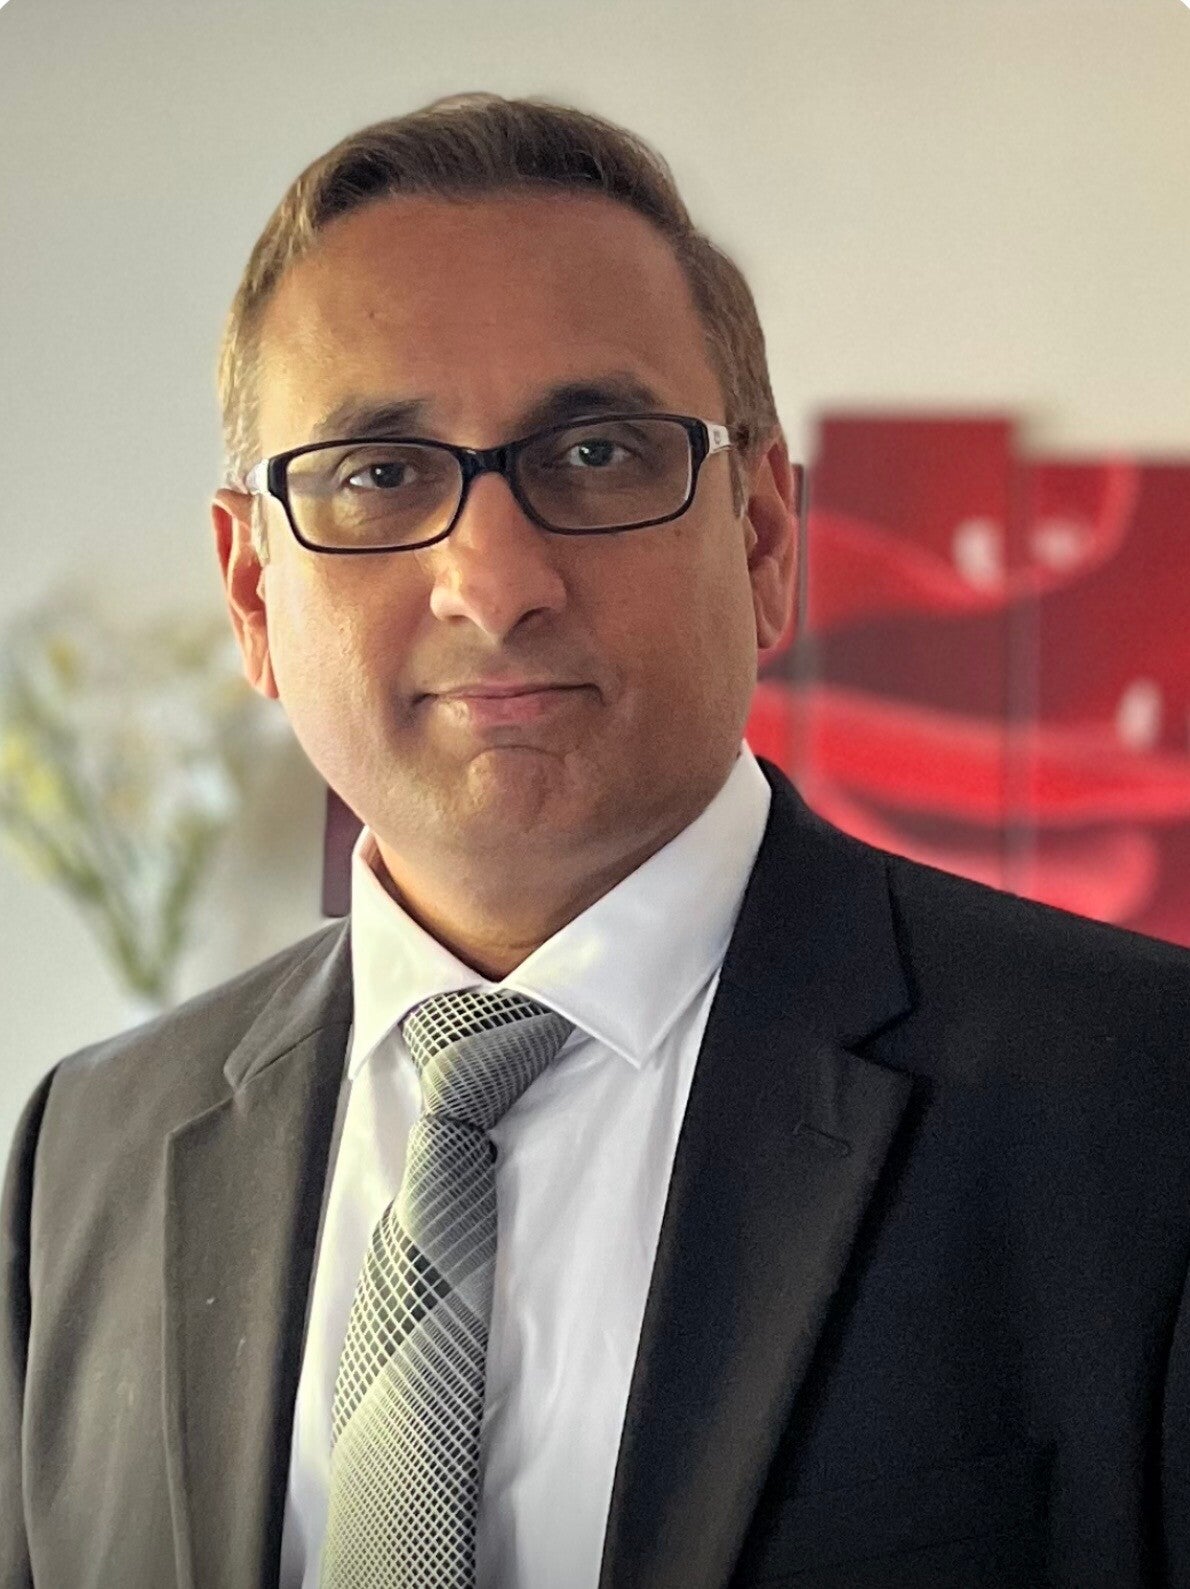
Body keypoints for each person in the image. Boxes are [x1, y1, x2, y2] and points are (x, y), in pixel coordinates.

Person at [2, 92, 1188, 1589]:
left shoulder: (1145, 1106)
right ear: (251, 591)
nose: (493, 582)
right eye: (378, 472)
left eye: (599, 453)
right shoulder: (90, 1146)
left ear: (761, 537)